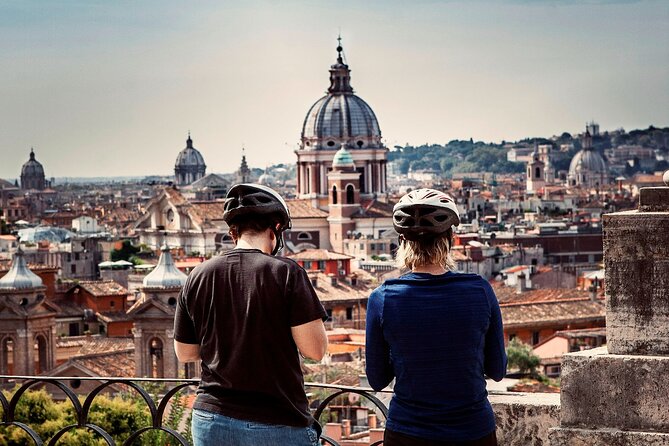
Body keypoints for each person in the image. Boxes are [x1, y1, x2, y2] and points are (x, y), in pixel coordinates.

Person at [173, 183, 328, 446]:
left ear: (233, 232)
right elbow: (315, 350)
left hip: (211, 418)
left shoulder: (197, 275)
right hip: (276, 420)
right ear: (276, 229)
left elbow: (185, 353)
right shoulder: (286, 273)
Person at [365, 188, 507, 446]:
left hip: (408, 433)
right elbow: (497, 369)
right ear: (451, 238)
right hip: (473, 431)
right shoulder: (480, 291)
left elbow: (376, 379)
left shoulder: (383, 298)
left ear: (402, 241)